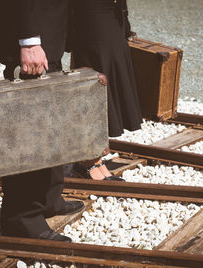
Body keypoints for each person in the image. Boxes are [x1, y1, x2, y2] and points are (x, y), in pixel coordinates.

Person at [0, 0, 84, 242]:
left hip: (45, 31)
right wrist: (29, 39)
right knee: (29, 130)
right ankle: (22, 218)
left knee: (49, 124)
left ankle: (48, 199)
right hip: (31, 36)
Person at [68, 0, 143, 181]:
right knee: (95, 87)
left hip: (112, 15)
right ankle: (88, 161)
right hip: (90, 17)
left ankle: (96, 159)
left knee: (108, 80)